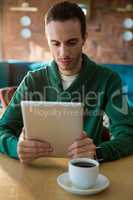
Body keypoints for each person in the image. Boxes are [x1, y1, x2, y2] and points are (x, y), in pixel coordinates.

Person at [0, 1, 133, 164]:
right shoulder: (33, 80)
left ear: (84, 38)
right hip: (39, 170)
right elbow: (2, 129)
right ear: (48, 41)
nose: (63, 53)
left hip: (86, 172)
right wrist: (16, 148)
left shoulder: (108, 80)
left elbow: (128, 133)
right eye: (55, 43)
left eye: (71, 42)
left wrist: (98, 153)